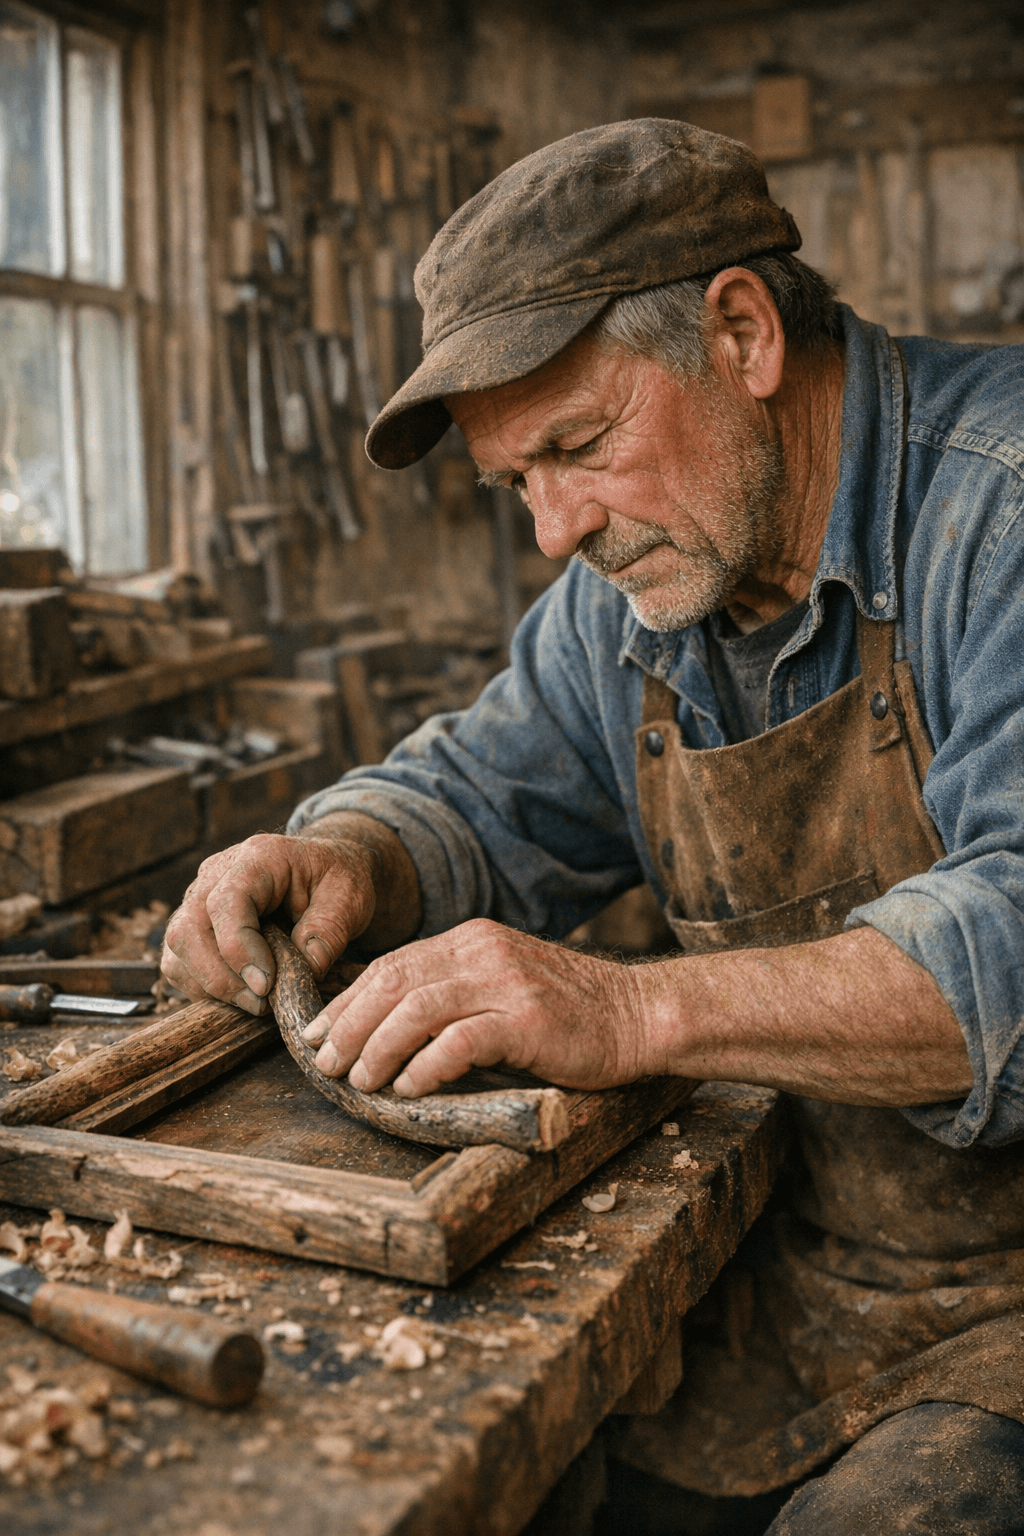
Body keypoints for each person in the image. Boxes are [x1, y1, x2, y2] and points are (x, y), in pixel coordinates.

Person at [163, 121, 1024, 1532]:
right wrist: (352, 851)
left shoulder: (1000, 508)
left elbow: (1015, 940)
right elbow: (481, 795)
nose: (557, 530)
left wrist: (624, 1012)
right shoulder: (640, 592)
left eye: (578, 444)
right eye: (518, 482)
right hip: (784, 1283)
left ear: (741, 331)